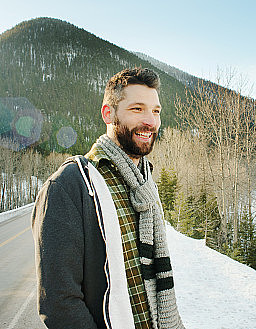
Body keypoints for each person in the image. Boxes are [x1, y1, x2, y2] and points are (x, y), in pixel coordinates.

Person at [31, 68, 184, 329]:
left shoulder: (144, 184)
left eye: (156, 111)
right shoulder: (71, 184)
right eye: (137, 109)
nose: (150, 121)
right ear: (108, 113)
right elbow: (59, 303)